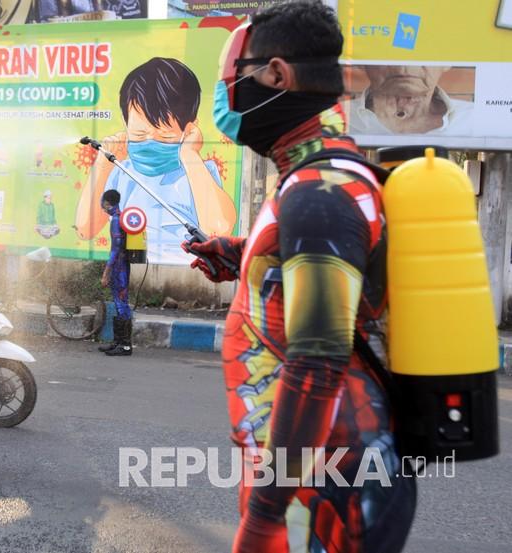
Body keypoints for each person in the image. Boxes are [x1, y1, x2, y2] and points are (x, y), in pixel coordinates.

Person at [186, 3, 415, 552]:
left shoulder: (321, 192)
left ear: (276, 76)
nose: (227, 99)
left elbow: (318, 364)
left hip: (324, 489)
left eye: (231, 82)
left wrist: (265, 513)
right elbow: (313, 270)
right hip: (313, 476)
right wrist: (241, 257)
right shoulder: (313, 175)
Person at [75, 57, 237, 265]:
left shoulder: (200, 172)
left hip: (188, 268)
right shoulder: (120, 170)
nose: (150, 141)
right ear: (126, 125)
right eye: (139, 133)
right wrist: (103, 164)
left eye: (165, 135)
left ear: (190, 129)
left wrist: (189, 156)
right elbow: (84, 229)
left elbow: (219, 230)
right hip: (132, 264)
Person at [348, 64, 474, 136]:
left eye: (425, 51)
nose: (405, 67)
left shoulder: (473, 117)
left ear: (447, 62)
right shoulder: (338, 118)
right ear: (362, 63)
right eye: (389, 52)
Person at [98, 190, 132, 356]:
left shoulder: (116, 220)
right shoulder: (121, 217)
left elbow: (115, 250)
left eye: (102, 201)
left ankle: (125, 346)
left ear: (106, 203)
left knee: (121, 303)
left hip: (119, 268)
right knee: (120, 303)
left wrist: (106, 272)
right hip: (121, 266)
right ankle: (118, 342)